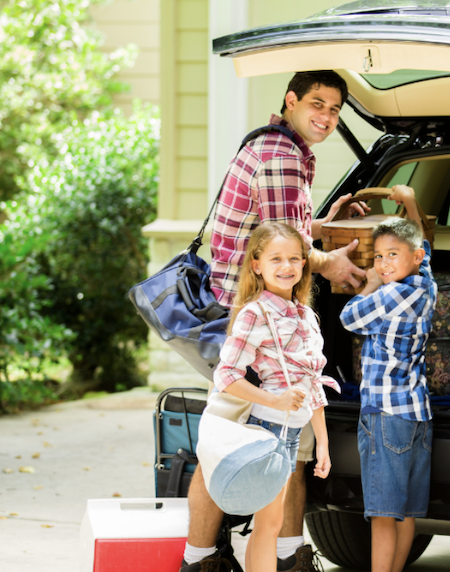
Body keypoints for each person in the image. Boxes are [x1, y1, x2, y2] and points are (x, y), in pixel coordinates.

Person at [181, 70, 366, 572]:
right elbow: (288, 244)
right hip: (251, 322)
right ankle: (213, 562)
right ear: (290, 101)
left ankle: (272, 557)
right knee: (235, 445)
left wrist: (329, 222)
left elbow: (290, 229)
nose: (326, 117)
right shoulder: (282, 156)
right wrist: (332, 262)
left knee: (281, 445)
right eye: (317, 104)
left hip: (264, 316)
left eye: (334, 110)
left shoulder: (281, 148)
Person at [199, 222, 339, 572]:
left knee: (273, 525)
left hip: (292, 433)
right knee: (267, 525)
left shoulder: (306, 315)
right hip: (269, 430)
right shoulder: (254, 314)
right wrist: (273, 400)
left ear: (305, 263)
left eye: (294, 258)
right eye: (276, 258)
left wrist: (322, 443)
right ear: (257, 264)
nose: (287, 266)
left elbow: (313, 385)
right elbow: (227, 376)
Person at [339, 186, 437, 572]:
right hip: (417, 413)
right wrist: (412, 201)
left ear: (410, 257)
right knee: (407, 512)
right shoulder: (424, 282)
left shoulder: (389, 294)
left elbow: (348, 318)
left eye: (390, 255)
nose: (382, 264)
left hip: (385, 415)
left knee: (382, 513)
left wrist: (369, 284)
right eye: (378, 256)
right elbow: (422, 243)